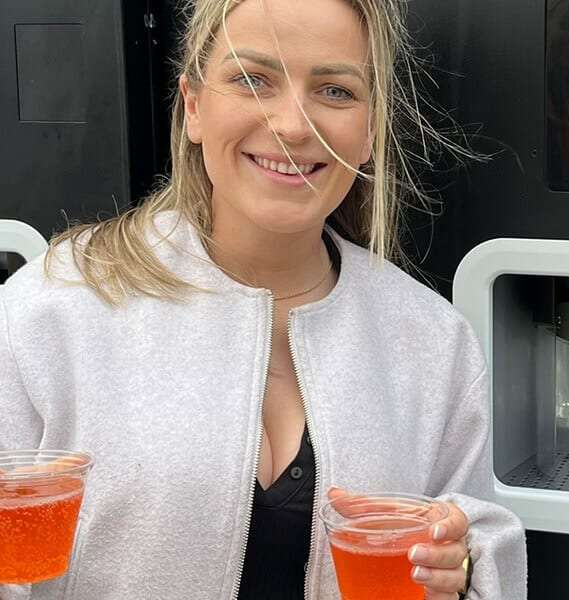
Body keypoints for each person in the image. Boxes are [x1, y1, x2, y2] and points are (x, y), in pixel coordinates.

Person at [0, 0, 527, 598]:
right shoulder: (56, 304)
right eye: (253, 80)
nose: (294, 124)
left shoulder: (430, 336)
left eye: (335, 90)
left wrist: (458, 569)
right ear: (194, 106)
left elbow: (477, 535)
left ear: (370, 133)